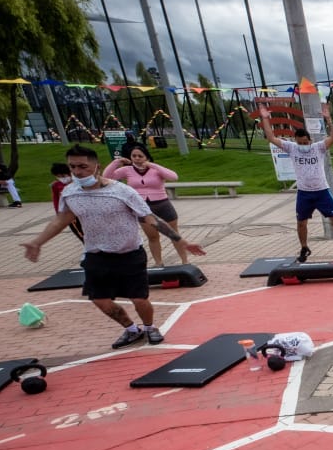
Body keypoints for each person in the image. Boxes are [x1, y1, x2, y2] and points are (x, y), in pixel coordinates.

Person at [20, 144, 206, 349]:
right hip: (96, 254)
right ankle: (131, 329)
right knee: (100, 300)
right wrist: (37, 242)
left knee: (139, 299)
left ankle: (150, 327)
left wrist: (182, 241)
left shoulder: (122, 191)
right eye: (73, 167)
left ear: (97, 166)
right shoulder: (70, 192)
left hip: (129, 253)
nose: (77, 172)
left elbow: (151, 219)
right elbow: (61, 219)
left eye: (83, 166)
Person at [258, 102, 333, 262]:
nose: (302, 146)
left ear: (310, 140)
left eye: (305, 143)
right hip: (304, 193)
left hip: (322, 190)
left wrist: (328, 120)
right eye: (299, 143)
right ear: (295, 142)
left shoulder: (318, 148)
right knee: (301, 223)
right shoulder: (292, 148)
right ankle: (304, 248)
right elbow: (271, 137)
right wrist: (265, 118)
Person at [104, 145, 190, 266]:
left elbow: (173, 177)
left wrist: (152, 165)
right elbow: (106, 177)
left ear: (147, 157)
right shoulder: (127, 170)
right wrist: (117, 162)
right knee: (153, 237)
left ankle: (185, 261)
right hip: (142, 207)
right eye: (134, 156)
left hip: (162, 204)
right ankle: (158, 263)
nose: (137, 158)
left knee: (174, 235)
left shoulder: (155, 169)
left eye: (140, 156)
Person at [50, 162, 84, 243]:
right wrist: (58, 212)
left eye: (63, 176)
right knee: (79, 233)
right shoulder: (56, 185)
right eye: (58, 176)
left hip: (83, 211)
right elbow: (56, 199)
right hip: (69, 214)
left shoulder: (78, 182)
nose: (62, 178)